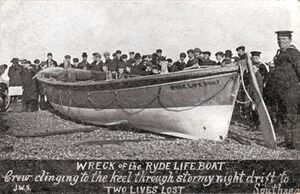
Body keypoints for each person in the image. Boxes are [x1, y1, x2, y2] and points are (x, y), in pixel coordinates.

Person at [270, 30, 300, 149]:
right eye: (279, 39)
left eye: (283, 39)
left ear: (290, 40)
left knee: (293, 116)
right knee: (284, 116)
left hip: (292, 91)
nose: (280, 42)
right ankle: (288, 141)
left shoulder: (293, 53)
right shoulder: (280, 54)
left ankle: (296, 142)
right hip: (281, 91)